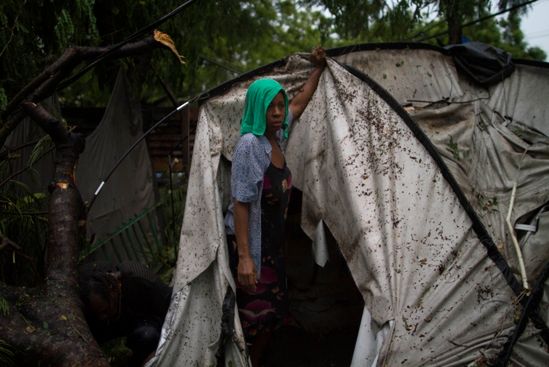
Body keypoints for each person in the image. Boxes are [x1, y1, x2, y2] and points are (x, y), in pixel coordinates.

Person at [224, 47, 326, 366]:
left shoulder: (276, 138)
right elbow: (242, 203)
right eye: (272, 106)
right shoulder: (249, 146)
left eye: (280, 105)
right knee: (254, 320)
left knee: (272, 316)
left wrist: (318, 70)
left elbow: (300, 102)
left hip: (271, 247)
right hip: (252, 248)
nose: (279, 111)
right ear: (258, 107)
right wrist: (245, 258)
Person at [78, 261, 172, 367]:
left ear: (112, 291)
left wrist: (158, 351)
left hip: (152, 325)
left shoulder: (140, 281)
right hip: (125, 335)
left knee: (147, 335)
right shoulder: (88, 309)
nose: (102, 317)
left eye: (105, 310)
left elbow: (175, 310)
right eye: (98, 314)